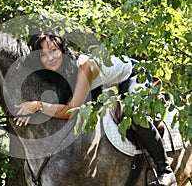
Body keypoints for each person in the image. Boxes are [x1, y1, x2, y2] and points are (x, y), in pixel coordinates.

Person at [14, 31, 177, 186]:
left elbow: (70, 110)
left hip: (133, 76)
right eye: (43, 55)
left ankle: (165, 170)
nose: (49, 58)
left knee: (135, 116)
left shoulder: (85, 67)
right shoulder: (55, 71)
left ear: (62, 50)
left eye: (53, 51)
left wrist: (38, 106)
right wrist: (32, 110)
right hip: (108, 85)